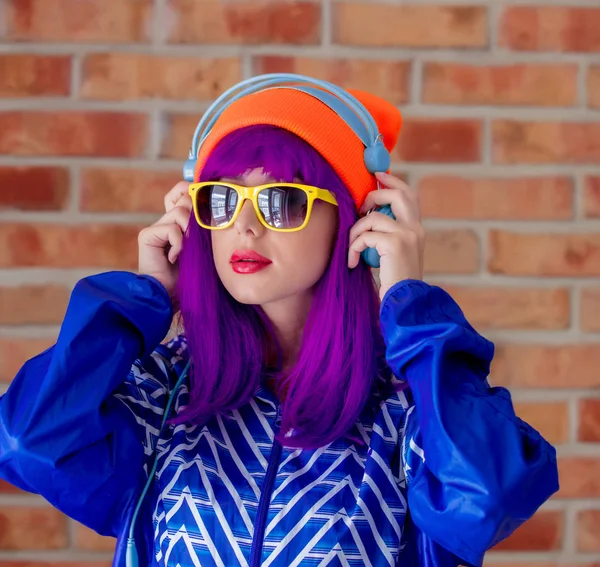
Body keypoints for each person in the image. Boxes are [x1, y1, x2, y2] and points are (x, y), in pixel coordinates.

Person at [0, 74, 558, 567]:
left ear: (355, 222)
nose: (245, 227)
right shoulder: (168, 393)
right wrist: (141, 301)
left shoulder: (409, 406)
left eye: (283, 202)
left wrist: (409, 305)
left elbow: (483, 498)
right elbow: (30, 440)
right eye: (221, 200)